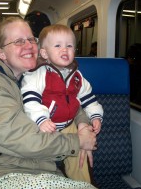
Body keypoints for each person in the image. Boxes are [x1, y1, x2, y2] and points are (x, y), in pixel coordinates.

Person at [0, 17, 97, 189]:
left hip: (25, 167)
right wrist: (78, 142)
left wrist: (83, 123)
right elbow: (26, 139)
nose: (29, 46)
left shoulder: (28, 76)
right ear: (1, 53)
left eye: (31, 39)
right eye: (18, 41)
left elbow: (66, 100)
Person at [21, 24, 103, 183]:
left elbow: (88, 98)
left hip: (69, 125)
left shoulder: (77, 75)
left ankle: (84, 184)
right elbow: (30, 100)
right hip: (44, 126)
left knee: (80, 154)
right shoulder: (38, 73)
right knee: (40, 163)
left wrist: (95, 116)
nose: (64, 50)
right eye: (58, 45)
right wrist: (42, 119)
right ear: (44, 53)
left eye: (69, 46)